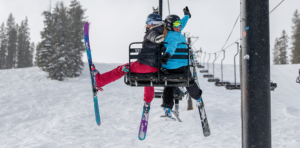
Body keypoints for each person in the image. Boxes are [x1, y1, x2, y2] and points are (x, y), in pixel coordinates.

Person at [91, 12, 165, 113]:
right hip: (155, 69)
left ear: (155, 23)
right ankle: (147, 102)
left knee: (121, 69)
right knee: (148, 80)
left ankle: (99, 81)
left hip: (144, 66)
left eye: (149, 21)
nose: (147, 24)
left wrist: (157, 39)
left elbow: (153, 36)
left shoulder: (153, 32)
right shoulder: (163, 31)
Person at [160, 6, 203, 120]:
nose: (179, 26)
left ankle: (167, 108)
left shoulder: (171, 32)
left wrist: (186, 16)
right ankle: (198, 97)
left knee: (170, 85)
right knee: (189, 82)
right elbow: (172, 46)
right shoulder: (174, 36)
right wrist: (167, 55)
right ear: (170, 26)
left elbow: (181, 24)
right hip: (181, 68)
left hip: (168, 68)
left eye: (179, 24)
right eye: (176, 24)